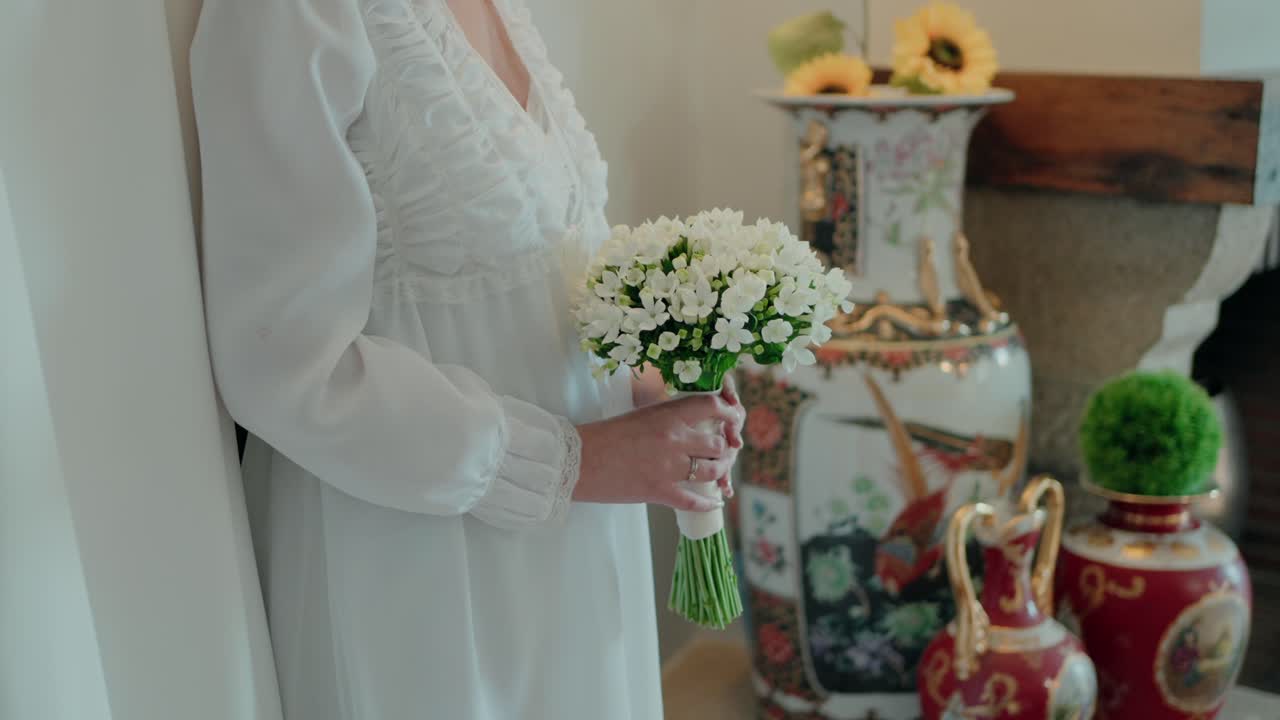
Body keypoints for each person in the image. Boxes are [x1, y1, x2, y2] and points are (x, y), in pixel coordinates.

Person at [190, 0, 745, 718]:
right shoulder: (291, 12)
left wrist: (646, 380)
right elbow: (285, 365)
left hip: (577, 547)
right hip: (424, 559)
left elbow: (537, 265)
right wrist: (569, 461)